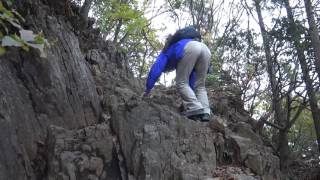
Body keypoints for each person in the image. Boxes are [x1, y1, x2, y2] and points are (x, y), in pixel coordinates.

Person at [143, 26, 212, 122]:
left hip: (191, 48)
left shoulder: (166, 51)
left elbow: (156, 69)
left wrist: (147, 89)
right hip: (205, 49)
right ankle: (205, 112)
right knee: (200, 85)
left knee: (181, 82)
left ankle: (195, 108)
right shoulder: (183, 43)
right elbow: (191, 78)